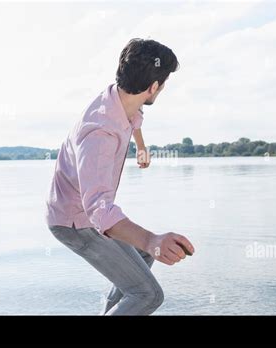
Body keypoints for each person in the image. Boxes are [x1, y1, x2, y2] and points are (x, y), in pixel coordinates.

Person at [45, 38, 195, 315]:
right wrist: (152, 239)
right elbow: (99, 211)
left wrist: (140, 145)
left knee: (145, 255)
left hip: (83, 214)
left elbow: (135, 116)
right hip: (75, 222)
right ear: (153, 87)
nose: (162, 89)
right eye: (163, 84)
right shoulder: (100, 133)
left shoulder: (119, 98)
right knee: (147, 294)